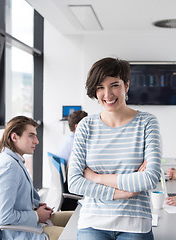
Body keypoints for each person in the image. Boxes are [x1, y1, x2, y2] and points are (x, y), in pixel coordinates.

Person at [68, 57, 162, 240]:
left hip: (135, 223)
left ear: (126, 86)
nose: (107, 94)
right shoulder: (86, 126)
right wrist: (122, 194)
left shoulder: (147, 122)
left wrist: (96, 177)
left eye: (114, 85)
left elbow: (150, 179)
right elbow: (74, 182)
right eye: (100, 87)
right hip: (92, 223)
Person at [0, 116, 72, 240]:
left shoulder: (12, 160)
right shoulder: (8, 167)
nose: (36, 141)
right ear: (14, 137)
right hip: (23, 233)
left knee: (79, 218)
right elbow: (3, 217)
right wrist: (36, 215)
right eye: (31, 135)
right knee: (78, 234)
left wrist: (37, 207)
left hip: (31, 223)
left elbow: (18, 200)